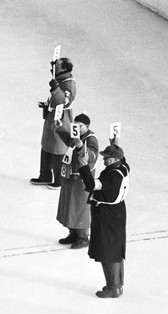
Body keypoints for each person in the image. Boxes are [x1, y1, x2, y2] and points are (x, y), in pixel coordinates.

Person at [79, 143, 130, 298]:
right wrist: (115, 142)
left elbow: (91, 184)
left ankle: (113, 287)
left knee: (108, 251)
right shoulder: (123, 168)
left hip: (107, 214)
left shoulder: (112, 175)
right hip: (118, 211)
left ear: (114, 159)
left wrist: (83, 167)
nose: (103, 160)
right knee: (115, 249)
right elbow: (124, 158)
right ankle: (117, 284)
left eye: (106, 158)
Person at [30, 57, 76, 189]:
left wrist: (55, 88)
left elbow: (64, 101)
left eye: (57, 68)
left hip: (61, 119)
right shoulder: (61, 79)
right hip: (52, 117)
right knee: (46, 147)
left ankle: (59, 179)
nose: (54, 70)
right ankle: (44, 175)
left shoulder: (70, 83)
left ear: (65, 70)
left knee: (57, 149)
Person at [54, 113, 99, 249]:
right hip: (71, 176)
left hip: (81, 180)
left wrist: (80, 146)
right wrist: (61, 128)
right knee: (70, 206)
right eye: (76, 125)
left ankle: (83, 237)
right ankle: (73, 232)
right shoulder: (77, 136)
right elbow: (69, 140)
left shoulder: (91, 139)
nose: (77, 128)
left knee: (80, 208)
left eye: (80, 126)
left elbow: (92, 156)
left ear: (87, 126)